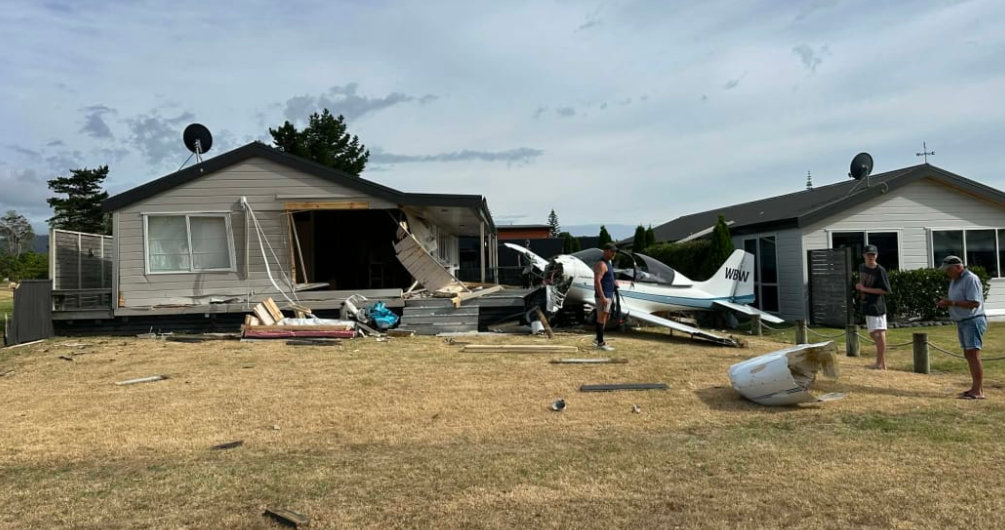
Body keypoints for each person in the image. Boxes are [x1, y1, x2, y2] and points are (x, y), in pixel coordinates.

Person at [937, 255, 987, 400]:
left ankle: (978, 391)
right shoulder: (955, 279)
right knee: (968, 354)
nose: (947, 273)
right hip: (963, 322)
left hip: (973, 320)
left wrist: (951, 303)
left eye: (948, 269)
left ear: (958, 267)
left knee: (973, 354)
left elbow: (974, 303)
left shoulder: (971, 278)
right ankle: (975, 388)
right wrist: (946, 302)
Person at [856, 245, 892, 369]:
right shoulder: (861, 267)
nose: (871, 257)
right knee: (872, 333)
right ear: (864, 255)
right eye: (869, 254)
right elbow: (862, 281)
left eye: (873, 254)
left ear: (876, 255)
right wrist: (860, 286)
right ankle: (882, 363)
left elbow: (885, 290)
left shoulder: (880, 270)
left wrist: (865, 289)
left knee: (879, 333)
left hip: (877, 306)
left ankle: (879, 364)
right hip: (867, 305)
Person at [593, 242, 618, 351]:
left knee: (605, 317)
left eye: (615, 252)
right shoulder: (601, 264)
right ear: (606, 251)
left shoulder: (609, 264)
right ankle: (600, 343)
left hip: (609, 294)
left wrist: (614, 283)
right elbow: (597, 281)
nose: (614, 253)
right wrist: (602, 297)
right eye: (612, 251)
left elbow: (609, 278)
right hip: (603, 296)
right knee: (601, 318)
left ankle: (598, 338)